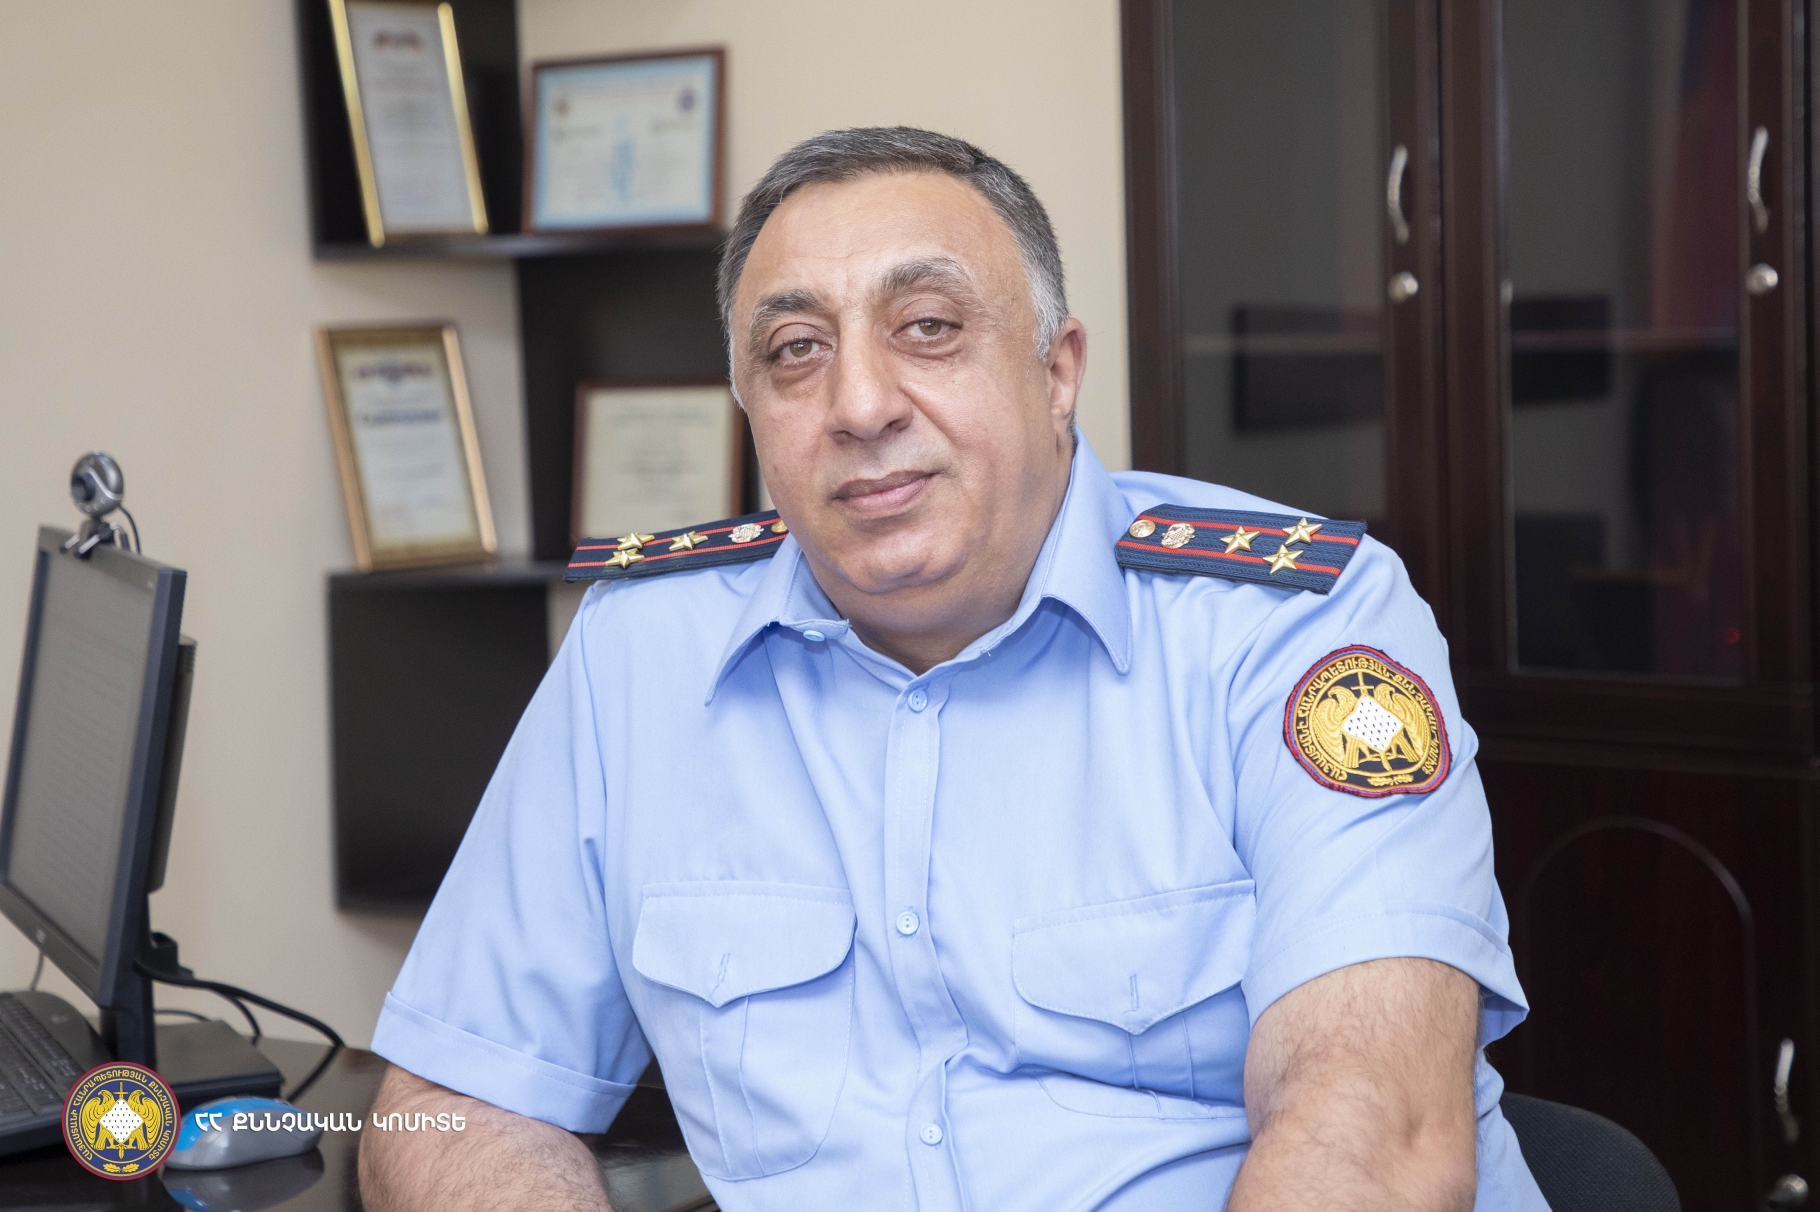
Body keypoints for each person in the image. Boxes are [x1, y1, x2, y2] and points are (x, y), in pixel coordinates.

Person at [359, 126, 1548, 1212]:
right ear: (750, 408)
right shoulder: (639, 652)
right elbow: (451, 1097)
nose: (859, 403)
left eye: (927, 327)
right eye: (795, 351)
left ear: (1056, 370)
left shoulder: (1297, 630)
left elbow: (1374, 1137)